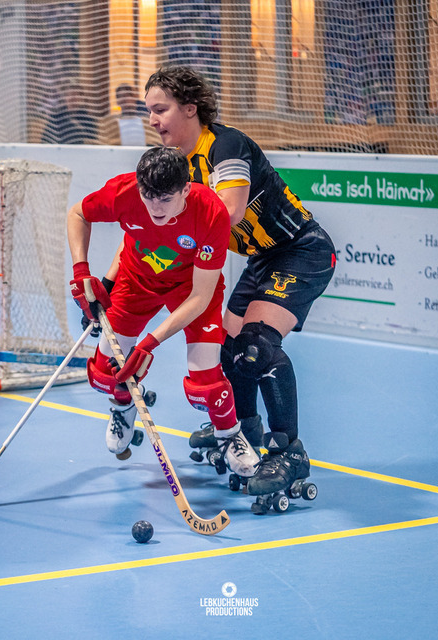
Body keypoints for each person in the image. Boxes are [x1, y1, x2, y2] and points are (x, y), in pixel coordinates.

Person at [144, 66, 337, 499]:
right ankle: (243, 432)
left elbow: (228, 212)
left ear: (190, 108)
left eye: (160, 109)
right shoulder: (177, 163)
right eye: (149, 111)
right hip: (262, 259)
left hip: (301, 250)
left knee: (256, 347)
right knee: (229, 349)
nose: (152, 120)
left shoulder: (224, 144)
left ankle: (288, 452)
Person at [67, 146, 259, 477]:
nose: (155, 207)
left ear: (186, 189)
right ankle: (124, 405)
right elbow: (77, 214)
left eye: (166, 199)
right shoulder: (124, 192)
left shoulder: (210, 213)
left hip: (191, 287)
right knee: (105, 373)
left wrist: (150, 342)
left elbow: (200, 296)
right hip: (135, 280)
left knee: (205, 381)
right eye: (148, 196)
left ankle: (230, 435)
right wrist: (81, 272)